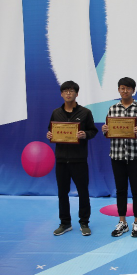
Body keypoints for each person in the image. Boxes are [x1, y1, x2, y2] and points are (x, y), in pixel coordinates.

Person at [102, 77, 137, 238]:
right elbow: (108, 132)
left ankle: (136, 222)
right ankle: (122, 222)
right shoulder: (113, 109)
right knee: (121, 190)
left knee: (136, 190)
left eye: (128, 88)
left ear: (133, 90)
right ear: (118, 90)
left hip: (136, 156)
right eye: (122, 88)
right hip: (117, 155)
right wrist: (105, 130)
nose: (125, 91)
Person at [47, 81, 98, 236]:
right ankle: (65, 223)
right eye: (65, 91)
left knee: (83, 192)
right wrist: (49, 135)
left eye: (71, 91)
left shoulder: (85, 112)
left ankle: (84, 222)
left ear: (77, 93)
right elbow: (51, 130)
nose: (68, 94)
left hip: (79, 159)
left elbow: (93, 131)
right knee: (62, 193)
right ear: (61, 94)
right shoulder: (56, 112)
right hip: (61, 160)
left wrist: (85, 134)